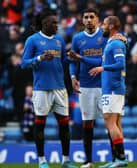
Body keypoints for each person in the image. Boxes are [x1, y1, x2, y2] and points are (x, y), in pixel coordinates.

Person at [21, 10, 77, 168]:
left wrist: (70, 57)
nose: (57, 25)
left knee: (64, 125)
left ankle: (66, 160)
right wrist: (39, 58)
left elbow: (64, 62)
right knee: (40, 125)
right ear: (45, 24)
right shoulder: (32, 40)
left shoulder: (59, 40)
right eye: (53, 22)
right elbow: (24, 63)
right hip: (41, 89)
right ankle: (42, 161)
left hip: (60, 88)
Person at [68, 8, 107, 168]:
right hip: (85, 86)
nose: (89, 19)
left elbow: (104, 62)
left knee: (110, 123)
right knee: (87, 123)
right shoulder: (77, 39)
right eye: (86, 17)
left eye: (92, 17)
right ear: (82, 20)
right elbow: (72, 60)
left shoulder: (105, 36)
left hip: (104, 85)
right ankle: (88, 161)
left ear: (97, 19)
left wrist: (81, 58)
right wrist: (72, 77)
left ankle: (116, 159)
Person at [89, 16, 128, 168]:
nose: (101, 26)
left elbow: (120, 64)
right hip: (112, 89)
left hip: (113, 89)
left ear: (111, 26)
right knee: (115, 123)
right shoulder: (112, 43)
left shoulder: (116, 43)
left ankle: (120, 159)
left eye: (104, 24)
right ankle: (116, 159)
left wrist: (102, 68)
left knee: (109, 121)